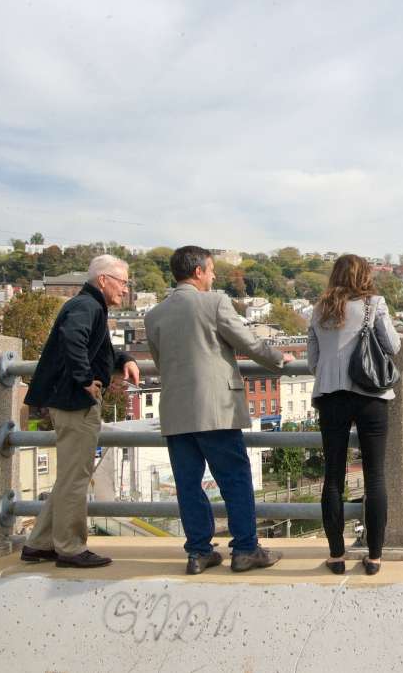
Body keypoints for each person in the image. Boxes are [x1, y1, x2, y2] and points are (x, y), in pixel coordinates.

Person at [145, 246, 293, 574]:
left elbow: (160, 363)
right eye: (211, 270)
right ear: (198, 271)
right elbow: (248, 342)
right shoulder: (214, 302)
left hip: (176, 409)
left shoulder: (153, 314)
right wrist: (280, 360)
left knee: (187, 483)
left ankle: (198, 552)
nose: (213, 276)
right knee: (234, 478)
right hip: (216, 408)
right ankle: (245, 549)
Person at [22, 255, 140, 568]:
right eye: (122, 282)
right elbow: (73, 338)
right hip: (75, 402)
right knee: (76, 478)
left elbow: (98, 347)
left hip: (68, 400)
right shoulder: (87, 306)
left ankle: (39, 543)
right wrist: (86, 378)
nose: (125, 290)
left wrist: (124, 358)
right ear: (104, 280)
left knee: (69, 477)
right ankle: (71, 548)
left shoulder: (87, 305)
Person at [308, 254, 401, 575]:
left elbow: (312, 359)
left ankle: (336, 555)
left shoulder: (320, 308)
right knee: (374, 476)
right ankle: (374, 557)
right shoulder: (374, 304)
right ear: (365, 276)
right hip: (370, 396)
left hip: (331, 396)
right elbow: (393, 346)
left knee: (333, 477)